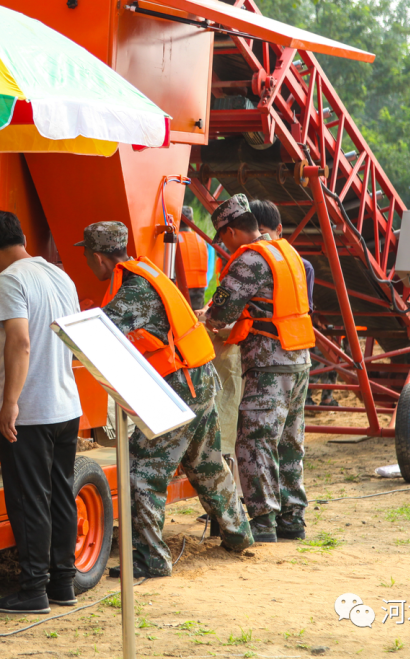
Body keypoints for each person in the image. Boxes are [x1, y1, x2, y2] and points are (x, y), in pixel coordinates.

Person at [77, 221, 252, 578]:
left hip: (181, 386)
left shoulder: (133, 291)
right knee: (206, 463)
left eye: (86, 256)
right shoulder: (148, 272)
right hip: (200, 378)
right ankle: (238, 533)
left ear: (98, 257)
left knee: (142, 468)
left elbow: (94, 337)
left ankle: (151, 560)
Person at [0, 210, 83, 615]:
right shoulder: (59, 275)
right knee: (60, 496)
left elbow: (19, 342)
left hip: (32, 411)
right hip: (65, 404)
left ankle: (33, 591)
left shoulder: (9, 280)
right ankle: (63, 583)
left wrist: (10, 403)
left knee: (28, 499)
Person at [200, 194, 313, 543]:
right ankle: (292, 518)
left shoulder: (250, 260)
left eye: (223, 238)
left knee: (255, 442)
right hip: (298, 359)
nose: (224, 246)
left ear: (232, 231)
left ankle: (263, 522)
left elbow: (221, 313)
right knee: (290, 441)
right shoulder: (285, 251)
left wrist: (208, 317)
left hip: (269, 363)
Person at [248, 200, 333, 405]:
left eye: (262, 232)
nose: (258, 240)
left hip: (279, 355)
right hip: (266, 356)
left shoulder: (302, 267)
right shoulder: (250, 261)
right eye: (253, 234)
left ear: (279, 230)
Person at [177, 206, 210, 310]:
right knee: (195, 318)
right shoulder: (201, 239)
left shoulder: (173, 239)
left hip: (180, 286)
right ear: (192, 222)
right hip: (199, 286)